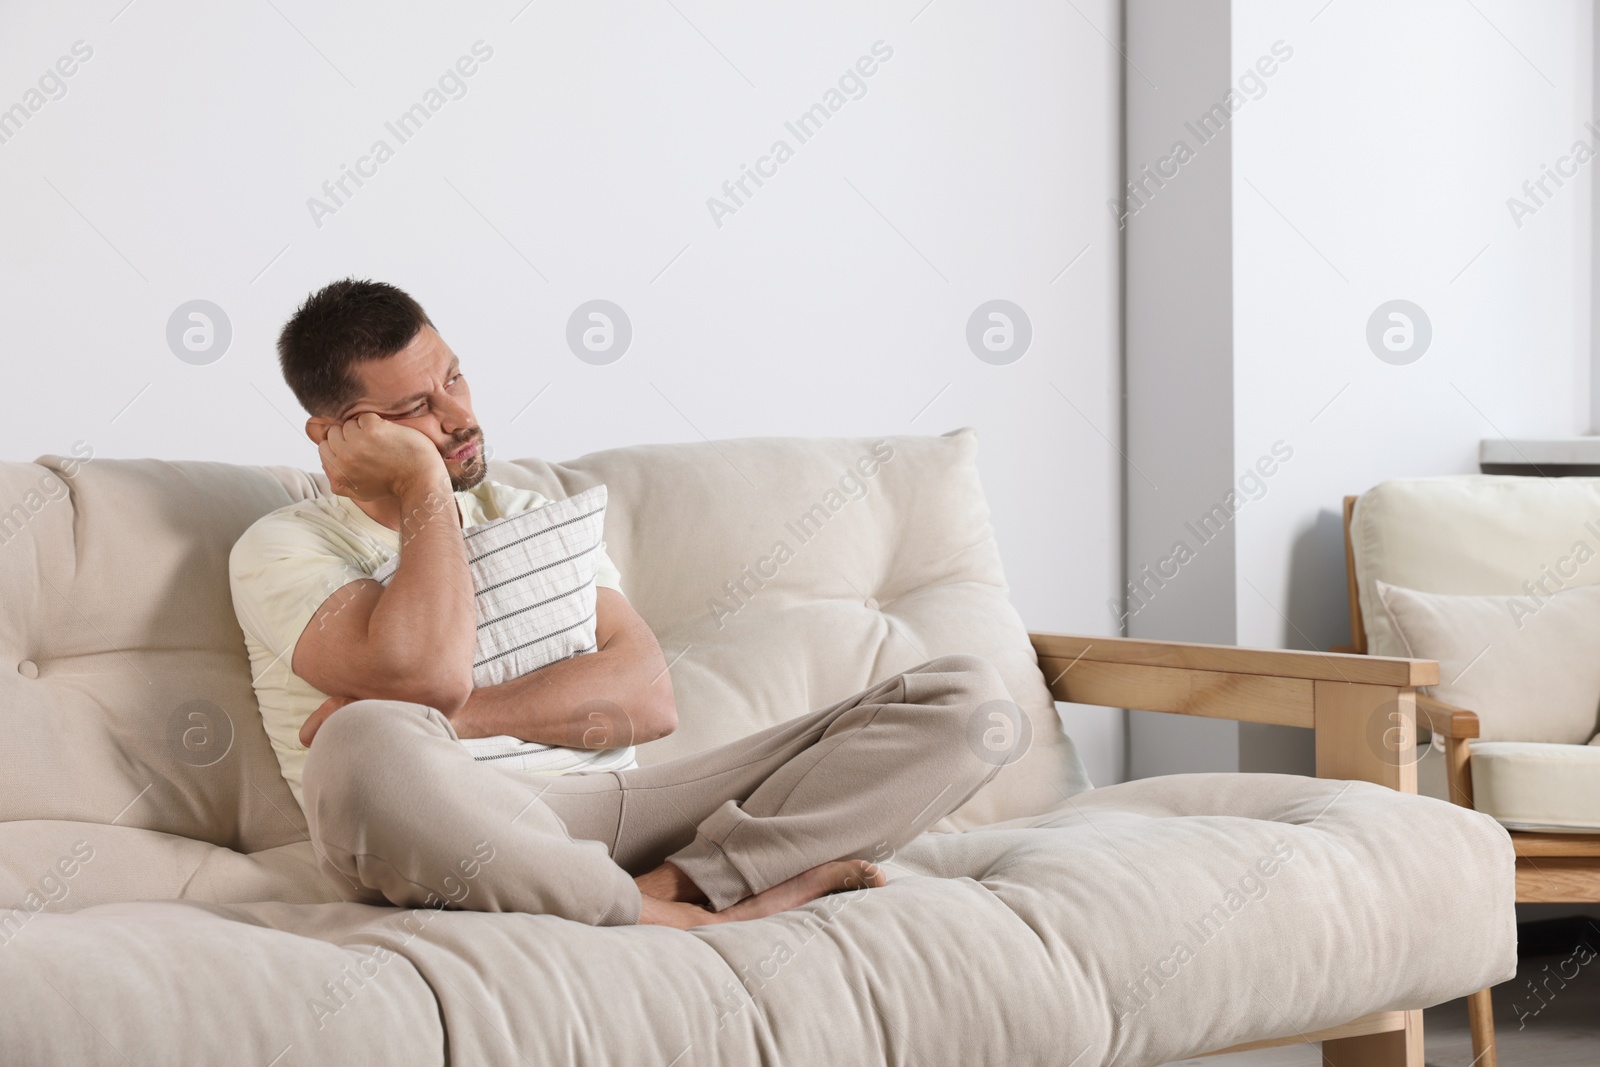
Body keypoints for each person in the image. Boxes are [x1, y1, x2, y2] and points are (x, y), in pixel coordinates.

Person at [229, 277, 1014, 929]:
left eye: (454, 378)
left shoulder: (530, 511)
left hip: (611, 812)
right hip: (438, 827)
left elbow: (646, 697)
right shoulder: (284, 546)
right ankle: (661, 911)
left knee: (969, 702)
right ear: (337, 433)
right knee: (363, 739)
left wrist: (459, 721)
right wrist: (423, 484)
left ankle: (677, 888)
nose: (460, 415)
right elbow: (425, 678)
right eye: (414, 411)